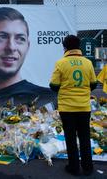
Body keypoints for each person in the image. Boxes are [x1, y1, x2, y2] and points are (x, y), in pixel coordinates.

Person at [49, 35, 97, 176]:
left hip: (67, 108)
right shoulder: (87, 63)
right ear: (79, 46)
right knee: (84, 137)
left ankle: (74, 167)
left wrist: (65, 89)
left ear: (65, 47)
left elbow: (54, 85)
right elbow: (93, 84)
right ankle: (88, 167)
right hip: (83, 107)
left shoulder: (61, 63)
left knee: (70, 138)